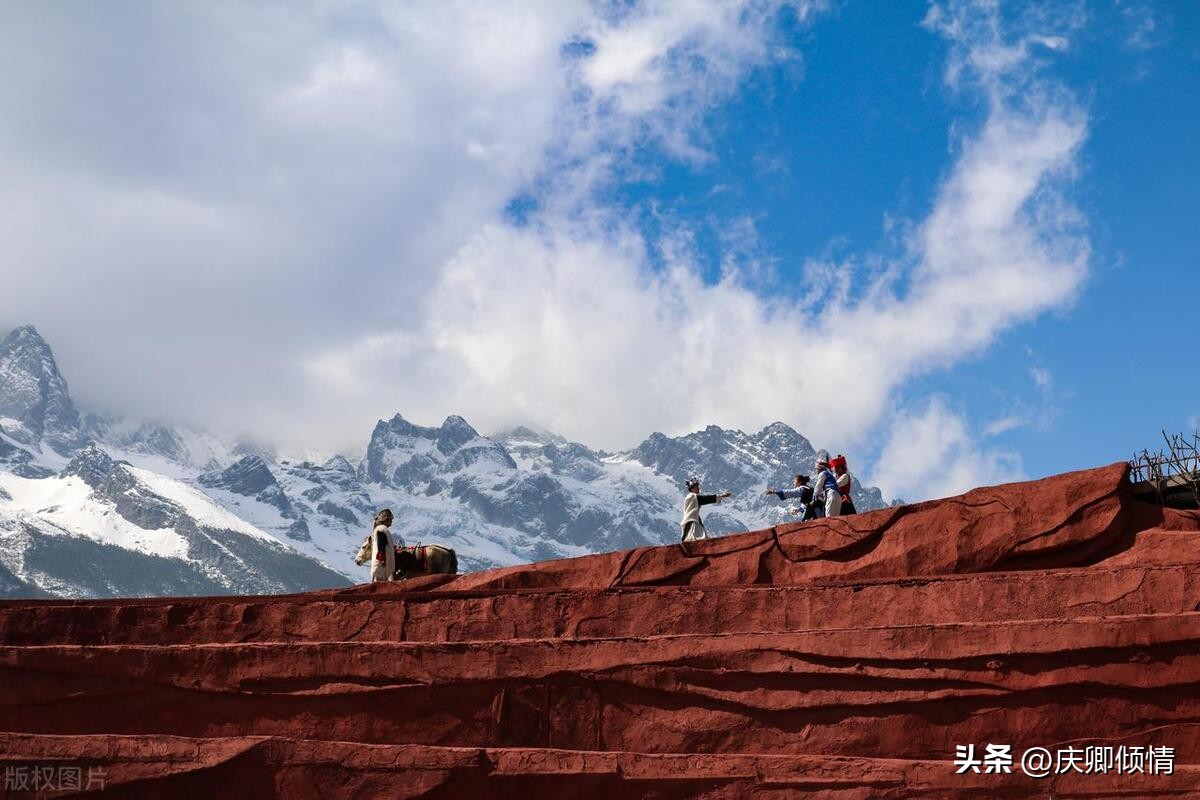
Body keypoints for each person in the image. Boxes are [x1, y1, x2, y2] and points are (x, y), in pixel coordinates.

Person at [680, 477, 732, 542]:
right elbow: (706, 499)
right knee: (695, 537)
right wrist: (721, 495)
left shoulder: (690, 497)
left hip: (693, 519)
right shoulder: (692, 496)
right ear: (692, 488)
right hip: (692, 521)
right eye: (697, 487)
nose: (698, 489)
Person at [369, 508, 400, 583]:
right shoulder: (381, 529)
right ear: (386, 519)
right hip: (381, 564)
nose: (391, 522)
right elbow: (381, 545)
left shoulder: (382, 529)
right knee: (380, 582)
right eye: (390, 520)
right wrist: (382, 559)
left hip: (382, 563)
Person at [811, 451, 842, 518]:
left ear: (819, 468)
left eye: (817, 469)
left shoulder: (822, 474)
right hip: (838, 496)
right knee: (836, 519)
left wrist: (813, 499)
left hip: (831, 494)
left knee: (829, 518)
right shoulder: (831, 476)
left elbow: (817, 488)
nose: (816, 471)